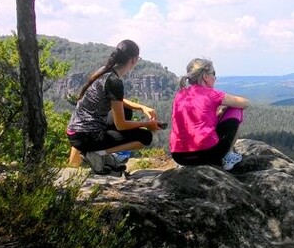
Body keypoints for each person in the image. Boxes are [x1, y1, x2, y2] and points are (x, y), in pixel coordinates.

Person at [66, 39, 164, 174]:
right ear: (134, 59)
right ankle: (99, 154)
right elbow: (121, 125)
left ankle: (82, 160)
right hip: (86, 137)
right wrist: (148, 124)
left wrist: (141, 107)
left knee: (126, 110)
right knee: (145, 137)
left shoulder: (104, 71)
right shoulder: (115, 82)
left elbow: (116, 100)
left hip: (75, 131)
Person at [169, 58, 249, 171]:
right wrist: (226, 107)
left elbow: (197, 123)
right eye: (213, 74)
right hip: (207, 154)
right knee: (236, 109)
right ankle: (228, 157)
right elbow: (245, 103)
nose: (215, 78)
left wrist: (219, 114)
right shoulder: (212, 94)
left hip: (179, 156)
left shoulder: (180, 94)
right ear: (205, 77)